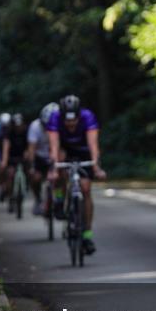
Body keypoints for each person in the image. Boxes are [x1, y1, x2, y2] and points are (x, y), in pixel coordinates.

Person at [46, 95, 106, 255]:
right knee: (59, 165)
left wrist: (96, 167)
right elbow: (54, 146)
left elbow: (93, 144)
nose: (70, 124)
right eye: (67, 121)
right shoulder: (54, 118)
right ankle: (59, 199)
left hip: (83, 151)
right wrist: (54, 170)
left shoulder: (88, 117)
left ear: (79, 116)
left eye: (74, 120)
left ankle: (87, 234)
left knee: (86, 189)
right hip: (64, 151)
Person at [27, 103, 58, 217]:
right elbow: (31, 148)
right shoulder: (35, 126)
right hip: (40, 156)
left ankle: (59, 199)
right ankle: (38, 199)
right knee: (36, 178)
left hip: (56, 156)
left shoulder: (61, 125)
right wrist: (32, 166)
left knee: (60, 178)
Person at [0, 113, 29, 212]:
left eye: (20, 125)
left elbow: (30, 145)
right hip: (11, 157)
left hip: (23, 157)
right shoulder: (9, 133)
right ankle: (10, 195)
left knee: (29, 170)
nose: (18, 128)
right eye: (16, 126)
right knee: (10, 174)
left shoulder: (26, 132)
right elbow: (6, 147)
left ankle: (26, 186)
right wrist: (4, 161)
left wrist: (27, 153)